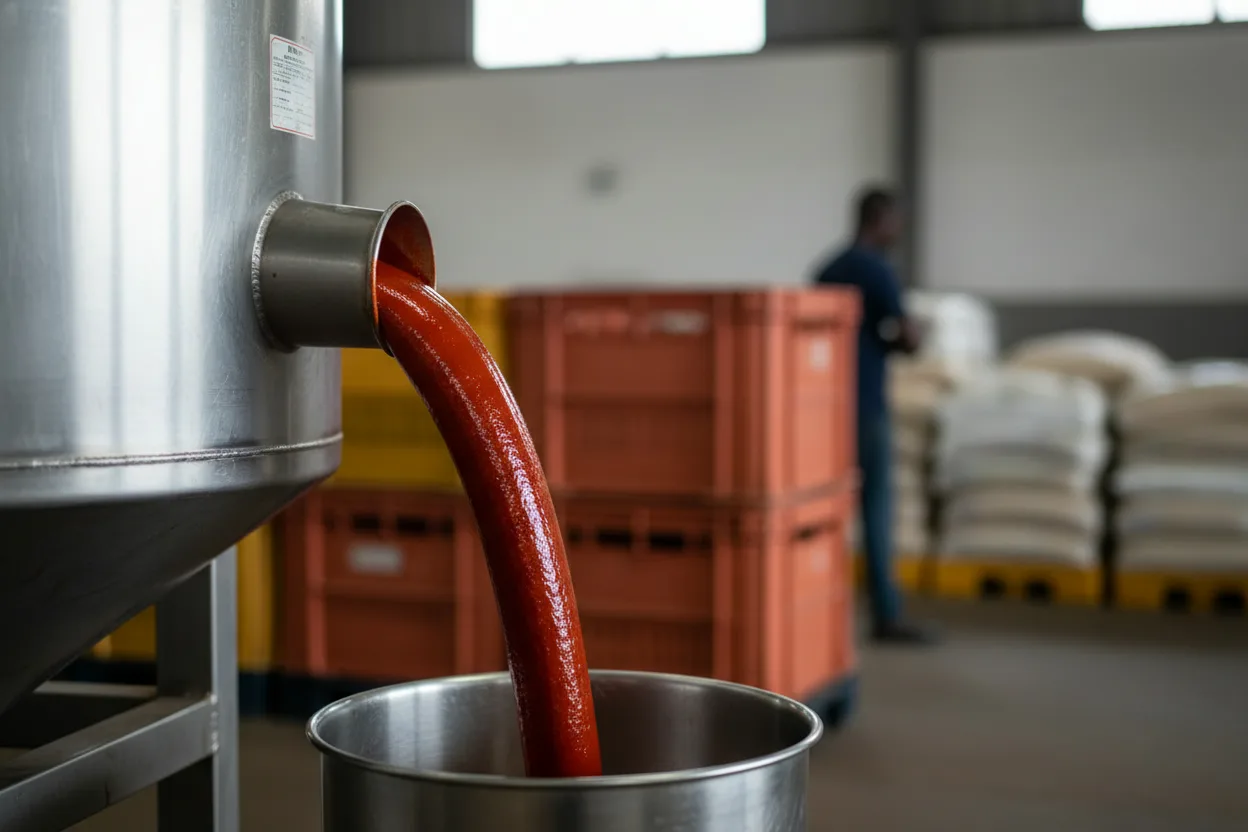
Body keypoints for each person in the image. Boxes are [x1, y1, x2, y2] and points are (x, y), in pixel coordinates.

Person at [814, 187, 937, 645]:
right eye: (895, 222)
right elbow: (908, 338)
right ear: (880, 219)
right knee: (877, 508)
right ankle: (887, 614)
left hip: (823, 408)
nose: (898, 231)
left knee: (825, 513)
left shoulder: (827, 268)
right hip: (866, 407)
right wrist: (915, 332)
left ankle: (821, 606)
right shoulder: (878, 270)